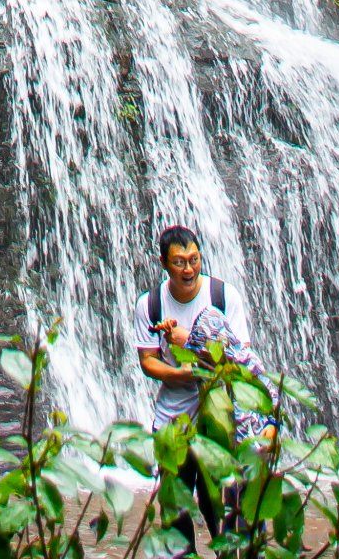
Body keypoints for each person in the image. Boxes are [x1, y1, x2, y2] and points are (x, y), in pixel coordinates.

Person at [136, 222, 251, 546]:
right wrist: (181, 374)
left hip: (219, 417)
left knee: (225, 505)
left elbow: (242, 359)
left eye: (195, 260)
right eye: (180, 262)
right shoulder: (150, 304)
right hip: (173, 420)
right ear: (164, 263)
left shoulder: (222, 296)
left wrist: (192, 344)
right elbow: (147, 361)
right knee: (175, 507)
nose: (189, 269)